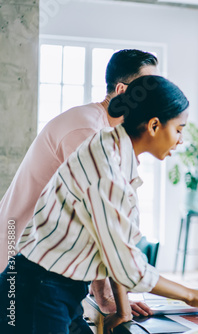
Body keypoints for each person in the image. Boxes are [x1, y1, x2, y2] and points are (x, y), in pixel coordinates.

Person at [0, 75, 198, 334]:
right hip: (37, 289)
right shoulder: (107, 167)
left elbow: (113, 243)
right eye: (179, 129)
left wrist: (123, 310)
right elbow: (128, 266)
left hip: (54, 288)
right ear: (154, 126)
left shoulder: (115, 149)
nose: (181, 140)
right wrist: (191, 295)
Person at [0, 49, 159, 319]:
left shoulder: (107, 132)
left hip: (48, 263)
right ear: (122, 90)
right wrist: (108, 298)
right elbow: (97, 221)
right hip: (21, 259)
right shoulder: (87, 130)